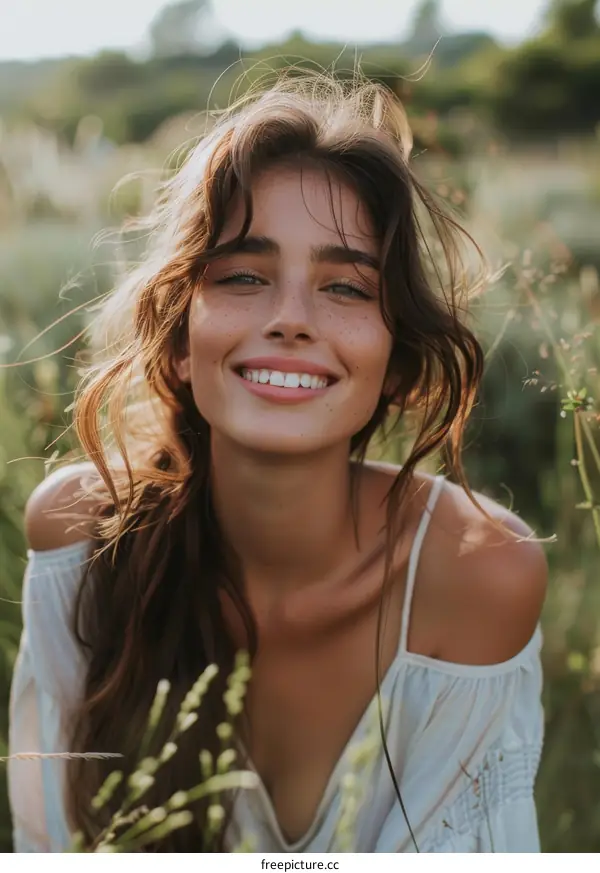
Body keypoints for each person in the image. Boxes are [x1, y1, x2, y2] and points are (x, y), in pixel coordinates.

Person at [7, 73, 547, 853]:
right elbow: (50, 846)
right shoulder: (81, 538)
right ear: (181, 342)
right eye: (244, 276)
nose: (290, 318)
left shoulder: (476, 573)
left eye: (346, 288)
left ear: (394, 365)